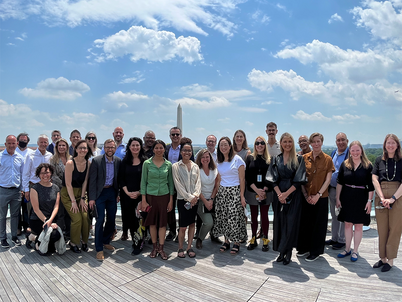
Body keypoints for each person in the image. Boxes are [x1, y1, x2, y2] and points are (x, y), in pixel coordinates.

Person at [267, 133, 307, 265]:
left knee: (290, 223)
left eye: (290, 141)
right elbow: (272, 179)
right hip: (278, 195)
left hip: (294, 195)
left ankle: (288, 251)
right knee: (279, 222)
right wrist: (280, 194)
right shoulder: (275, 159)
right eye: (285, 141)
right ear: (281, 143)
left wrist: (286, 194)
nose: (287, 144)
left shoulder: (298, 159)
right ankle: (281, 251)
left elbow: (299, 180)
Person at [297, 133, 334, 262]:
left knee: (319, 225)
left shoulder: (328, 159)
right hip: (306, 197)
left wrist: (318, 195)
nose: (316, 144)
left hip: (321, 197)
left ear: (322, 142)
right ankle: (305, 247)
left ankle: (315, 251)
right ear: (310, 143)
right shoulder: (304, 158)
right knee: (306, 223)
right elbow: (301, 178)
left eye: (318, 141)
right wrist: (306, 195)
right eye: (314, 142)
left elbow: (328, 180)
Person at [336, 141, 374, 262]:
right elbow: (339, 183)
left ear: (361, 151)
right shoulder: (344, 164)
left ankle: (355, 251)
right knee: (347, 224)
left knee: (358, 226)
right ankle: (347, 249)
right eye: (353, 150)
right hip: (346, 196)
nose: (355, 153)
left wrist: (369, 201)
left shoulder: (368, 166)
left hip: (361, 197)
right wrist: (337, 198)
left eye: (357, 150)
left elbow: (371, 186)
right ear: (350, 151)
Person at [372, 134, 402, 272]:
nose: (390, 145)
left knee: (394, 229)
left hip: (398, 195)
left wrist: (393, 199)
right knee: (382, 229)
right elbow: (374, 179)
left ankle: (390, 261)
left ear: (397, 145)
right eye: (388, 143)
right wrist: (382, 197)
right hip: (381, 195)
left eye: (393, 143)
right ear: (384, 145)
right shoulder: (379, 160)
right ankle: (382, 258)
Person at [141, 140, 174, 260]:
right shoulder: (147, 164)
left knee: (162, 224)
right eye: (157, 148)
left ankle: (161, 247)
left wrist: (171, 201)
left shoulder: (168, 165)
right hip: (151, 197)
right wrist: (143, 200)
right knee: (153, 223)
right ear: (153, 149)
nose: (159, 150)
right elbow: (143, 183)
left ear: (164, 150)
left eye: (161, 148)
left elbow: (171, 184)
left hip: (164, 197)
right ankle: (154, 247)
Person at [88, 139, 121, 261]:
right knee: (100, 219)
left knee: (111, 219)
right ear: (104, 148)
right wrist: (91, 198)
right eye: (107, 147)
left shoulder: (118, 161)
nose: (110, 149)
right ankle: (98, 248)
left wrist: (118, 193)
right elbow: (92, 181)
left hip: (112, 192)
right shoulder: (96, 161)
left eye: (112, 147)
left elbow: (118, 179)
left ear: (115, 149)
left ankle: (106, 241)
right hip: (100, 193)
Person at [213, 137, 247, 254]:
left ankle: (236, 242)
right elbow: (218, 179)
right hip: (222, 192)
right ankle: (226, 241)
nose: (223, 147)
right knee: (224, 217)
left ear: (230, 146)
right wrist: (216, 195)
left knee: (235, 217)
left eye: (225, 144)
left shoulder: (238, 160)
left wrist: (242, 196)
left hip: (235, 191)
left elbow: (242, 179)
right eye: (221, 145)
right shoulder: (219, 161)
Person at [61, 140, 92, 253]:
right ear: (76, 149)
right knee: (77, 218)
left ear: (87, 150)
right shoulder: (70, 163)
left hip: (81, 194)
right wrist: (73, 201)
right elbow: (68, 184)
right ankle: (73, 242)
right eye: (80, 148)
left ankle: (84, 241)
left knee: (85, 216)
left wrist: (83, 199)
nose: (83, 150)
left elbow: (85, 182)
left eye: (85, 148)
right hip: (68, 194)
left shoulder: (88, 163)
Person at [172, 138, 201, 258]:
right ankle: (180, 247)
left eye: (189, 150)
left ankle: (189, 247)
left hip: (194, 201)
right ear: (181, 152)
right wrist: (189, 197)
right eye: (185, 150)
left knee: (192, 224)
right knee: (183, 226)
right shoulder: (176, 166)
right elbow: (178, 185)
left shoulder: (195, 166)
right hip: (182, 200)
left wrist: (195, 196)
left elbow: (198, 183)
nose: (187, 152)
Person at [119, 137, 147, 255]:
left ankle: (139, 244)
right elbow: (121, 179)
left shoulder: (146, 161)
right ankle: (135, 240)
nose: (135, 147)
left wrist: (139, 192)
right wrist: (127, 192)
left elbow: (147, 180)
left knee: (140, 220)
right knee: (130, 220)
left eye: (137, 145)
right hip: (127, 196)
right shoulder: (124, 162)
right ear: (129, 147)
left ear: (140, 147)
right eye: (133, 145)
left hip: (141, 196)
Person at [25, 163, 62, 255]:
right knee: (47, 245)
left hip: (51, 219)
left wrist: (51, 220)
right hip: (37, 219)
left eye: (47, 172)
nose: (45, 175)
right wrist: (46, 221)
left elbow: (56, 206)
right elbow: (36, 209)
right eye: (42, 173)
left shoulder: (56, 188)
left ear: (51, 173)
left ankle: (33, 236)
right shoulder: (35, 188)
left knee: (56, 236)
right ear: (38, 174)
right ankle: (35, 241)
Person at [245, 136, 272, 252]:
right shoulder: (250, 158)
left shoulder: (270, 159)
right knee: (254, 216)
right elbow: (247, 176)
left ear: (265, 145)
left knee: (265, 216)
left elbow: (271, 176)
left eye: (262, 143)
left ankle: (265, 238)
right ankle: (253, 238)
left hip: (266, 191)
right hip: (252, 191)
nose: (259, 145)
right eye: (257, 143)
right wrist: (257, 190)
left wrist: (264, 189)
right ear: (254, 145)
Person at [22, 135, 52, 229]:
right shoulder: (30, 156)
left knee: (45, 208)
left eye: (45, 142)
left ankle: (43, 228)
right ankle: (32, 230)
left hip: (46, 186)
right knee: (32, 210)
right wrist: (26, 189)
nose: (43, 144)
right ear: (38, 143)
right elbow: (25, 174)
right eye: (41, 142)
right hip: (33, 186)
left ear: (48, 143)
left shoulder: (50, 156)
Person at [0, 135, 25, 248]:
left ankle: (14, 236)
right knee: (2, 216)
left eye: (13, 143)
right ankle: (3, 238)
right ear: (5, 144)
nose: (11, 145)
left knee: (15, 215)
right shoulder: (0, 157)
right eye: (9, 143)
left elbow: (22, 175)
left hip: (16, 191)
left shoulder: (20, 158)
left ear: (17, 144)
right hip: (3, 190)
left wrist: (22, 189)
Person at [326, 133, 349, 250]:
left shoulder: (350, 154)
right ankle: (334, 237)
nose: (340, 142)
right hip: (332, 189)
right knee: (334, 214)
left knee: (342, 215)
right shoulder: (333, 152)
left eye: (343, 140)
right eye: (338, 140)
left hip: (344, 190)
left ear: (347, 141)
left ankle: (342, 239)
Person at [195, 149, 221, 250]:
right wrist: (206, 201)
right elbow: (196, 188)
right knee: (208, 222)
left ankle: (214, 236)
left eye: (207, 157)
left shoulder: (214, 170)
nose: (205, 159)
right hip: (201, 200)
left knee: (218, 218)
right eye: (203, 157)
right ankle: (200, 239)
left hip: (213, 199)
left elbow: (216, 185)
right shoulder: (196, 170)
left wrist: (211, 199)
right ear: (199, 159)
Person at [49, 138, 71, 236]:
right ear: (56, 148)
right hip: (59, 188)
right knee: (61, 213)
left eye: (63, 145)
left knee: (69, 212)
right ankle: (61, 233)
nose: (61, 147)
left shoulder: (71, 158)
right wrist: (64, 185)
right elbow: (53, 175)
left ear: (67, 147)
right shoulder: (53, 159)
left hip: (71, 189)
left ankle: (70, 232)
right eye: (59, 145)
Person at [165, 126, 182, 242]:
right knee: (169, 209)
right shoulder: (166, 148)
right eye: (173, 134)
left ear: (180, 135)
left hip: (181, 183)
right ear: (170, 136)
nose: (175, 136)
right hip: (167, 182)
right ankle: (172, 231)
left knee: (181, 208)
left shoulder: (185, 148)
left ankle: (181, 232)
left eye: (177, 134)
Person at [15, 132, 33, 235]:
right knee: (17, 208)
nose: (23, 142)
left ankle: (27, 226)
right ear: (18, 141)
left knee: (27, 208)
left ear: (28, 142)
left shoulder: (31, 153)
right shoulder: (14, 152)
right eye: (21, 140)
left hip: (27, 185)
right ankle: (18, 227)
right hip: (16, 186)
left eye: (25, 140)